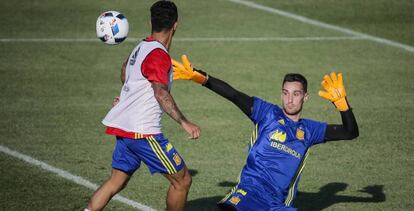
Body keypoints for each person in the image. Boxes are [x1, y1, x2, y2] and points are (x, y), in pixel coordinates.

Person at [172, 55, 359, 211]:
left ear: (305, 97)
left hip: (276, 204)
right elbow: (233, 95)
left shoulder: (310, 130)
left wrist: (343, 105)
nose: (290, 100)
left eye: (296, 94)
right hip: (247, 193)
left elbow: (350, 132)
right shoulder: (266, 113)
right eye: (286, 93)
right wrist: (200, 77)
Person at [86, 2, 201, 211]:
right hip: (143, 133)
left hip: (125, 130)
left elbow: (125, 72)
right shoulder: (158, 54)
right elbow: (160, 92)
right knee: (182, 181)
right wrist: (184, 122)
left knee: (116, 182)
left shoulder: (141, 46)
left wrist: (128, 98)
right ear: (175, 25)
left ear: (151, 22)